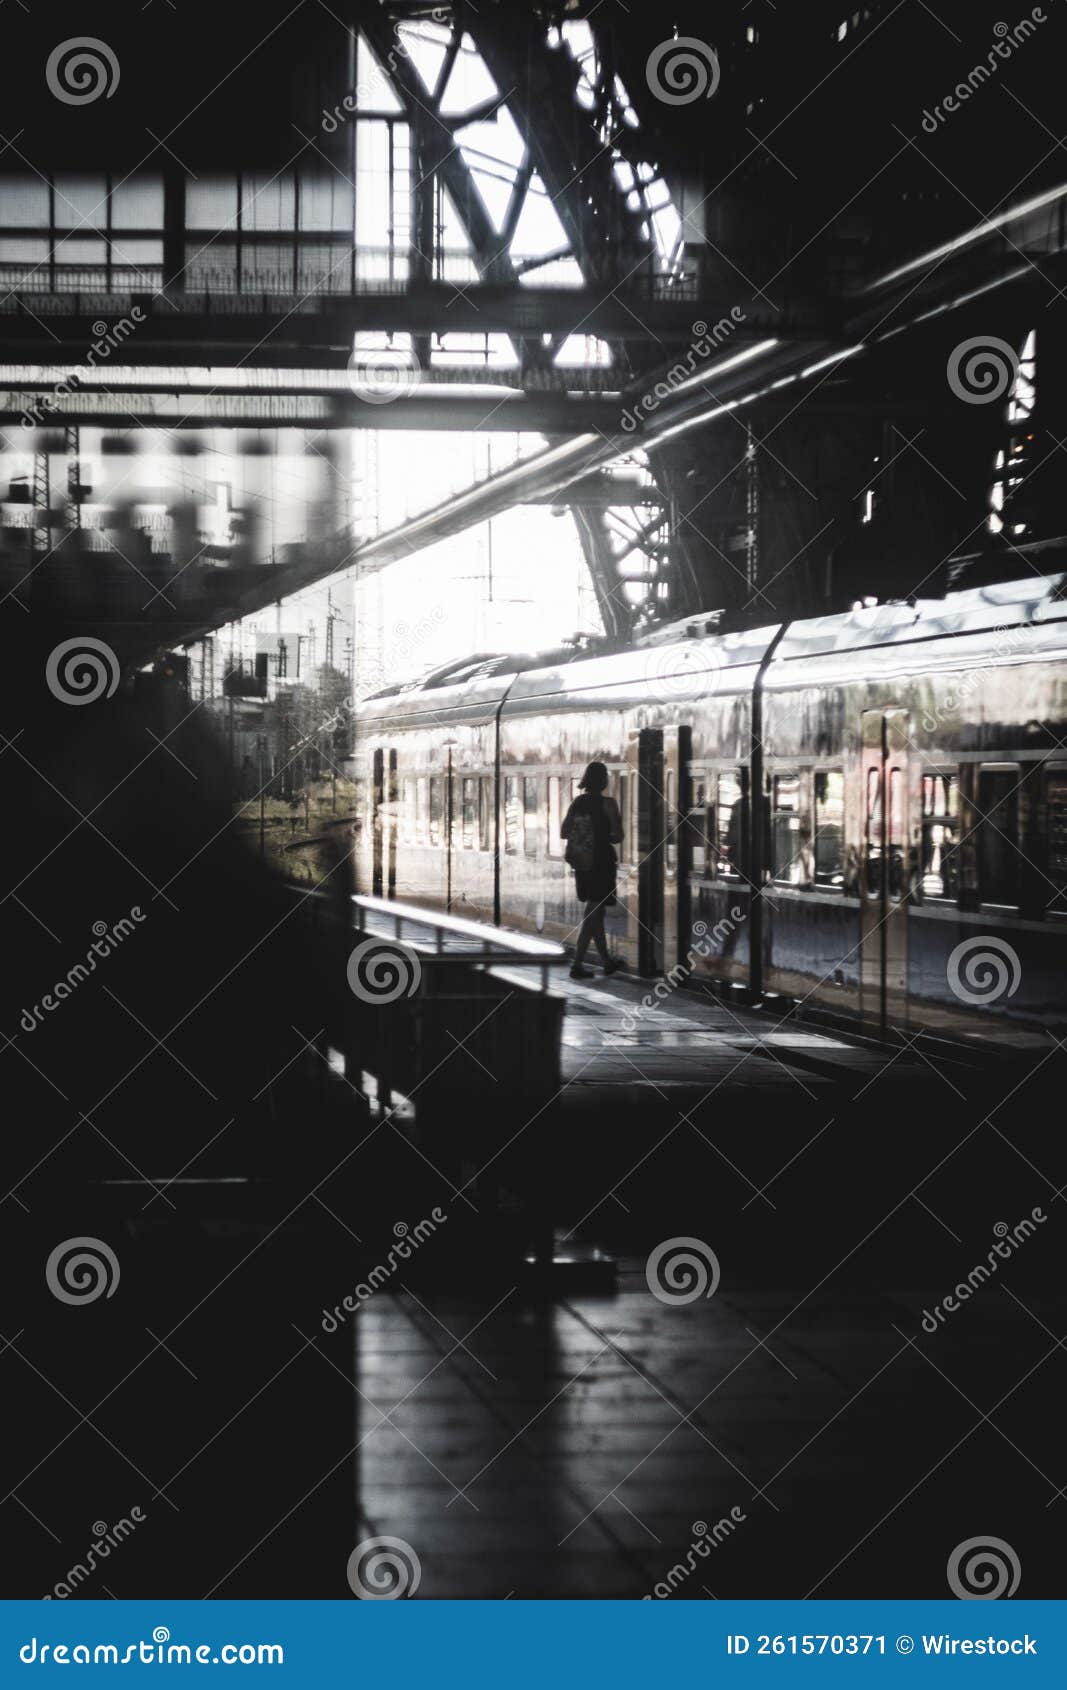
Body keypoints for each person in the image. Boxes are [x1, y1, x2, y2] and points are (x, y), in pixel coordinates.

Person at [560, 760, 624, 980]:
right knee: (593, 911)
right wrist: (604, 835)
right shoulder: (609, 804)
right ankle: (577, 963)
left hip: (582, 862)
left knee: (597, 912)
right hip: (602, 863)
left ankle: (606, 961)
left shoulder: (577, 802)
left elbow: (563, 831)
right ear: (604, 780)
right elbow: (618, 836)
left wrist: (583, 834)